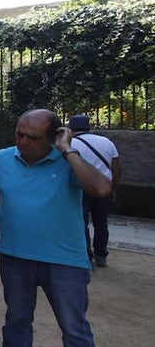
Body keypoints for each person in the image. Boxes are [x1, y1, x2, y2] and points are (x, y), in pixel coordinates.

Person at [0, 109, 112, 347]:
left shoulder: (67, 162)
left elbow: (101, 189)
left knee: (74, 330)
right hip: (15, 255)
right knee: (16, 320)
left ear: (53, 137)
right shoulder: (1, 159)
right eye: (19, 134)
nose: (24, 142)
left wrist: (68, 150)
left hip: (64, 261)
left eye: (33, 137)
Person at [67, 114, 122, 267]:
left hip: (81, 188)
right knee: (101, 222)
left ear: (71, 127)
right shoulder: (106, 142)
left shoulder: (70, 144)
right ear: (89, 126)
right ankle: (101, 254)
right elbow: (116, 167)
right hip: (103, 187)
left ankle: (86, 256)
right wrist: (112, 187)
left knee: (81, 222)